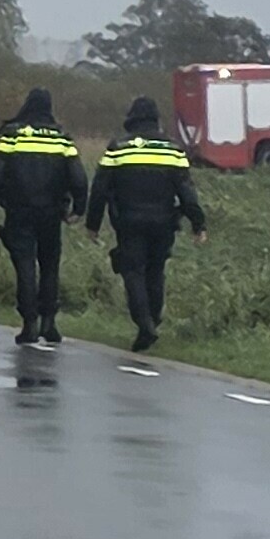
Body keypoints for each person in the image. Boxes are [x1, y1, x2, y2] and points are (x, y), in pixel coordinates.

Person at [87, 95, 208, 351]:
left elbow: (99, 189)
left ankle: (144, 324)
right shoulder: (173, 149)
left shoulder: (118, 147)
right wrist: (198, 224)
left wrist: (93, 224)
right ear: (156, 119)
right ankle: (153, 319)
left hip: (128, 222)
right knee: (155, 271)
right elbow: (187, 191)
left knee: (132, 272)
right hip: (164, 222)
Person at [0, 87, 86, 348]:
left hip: (19, 211)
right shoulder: (61, 139)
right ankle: (50, 323)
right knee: (49, 265)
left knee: (25, 265)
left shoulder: (11, 136)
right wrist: (78, 209)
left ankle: (29, 324)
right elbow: (79, 178)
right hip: (52, 213)